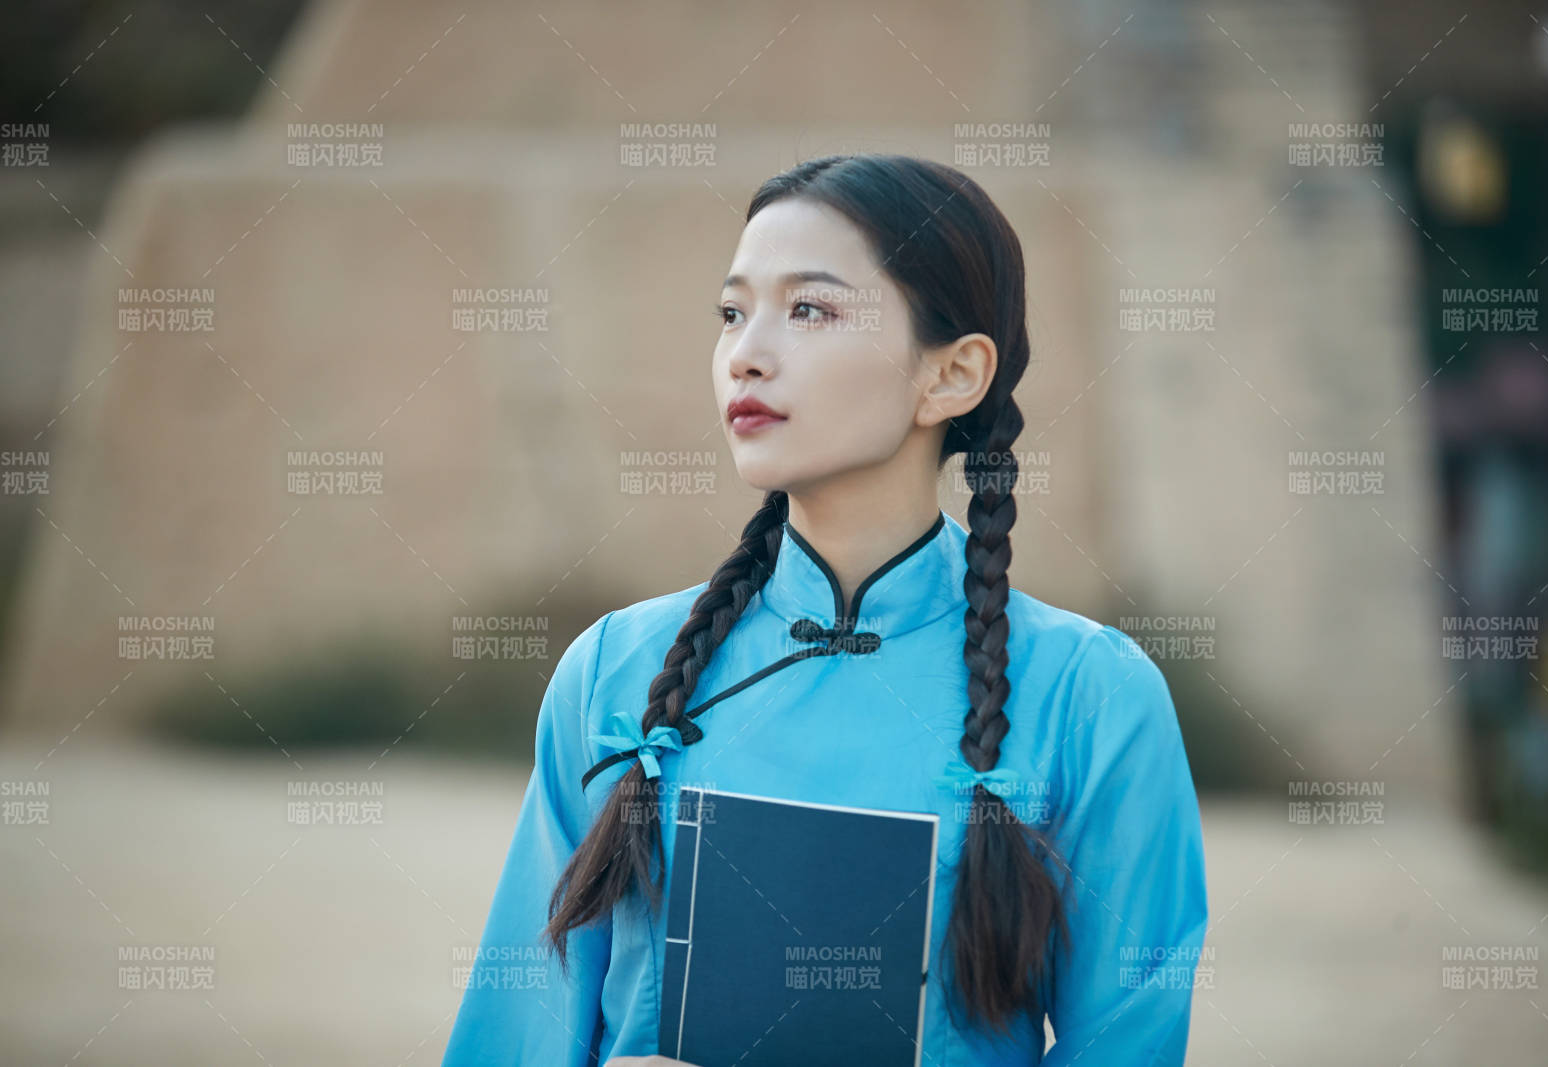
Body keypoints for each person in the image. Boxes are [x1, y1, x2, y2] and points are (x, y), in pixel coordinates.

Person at [441, 153, 1209, 1066]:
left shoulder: (1093, 699)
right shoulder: (614, 668)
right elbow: (514, 1035)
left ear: (953, 375)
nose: (746, 354)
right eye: (732, 312)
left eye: (810, 308)